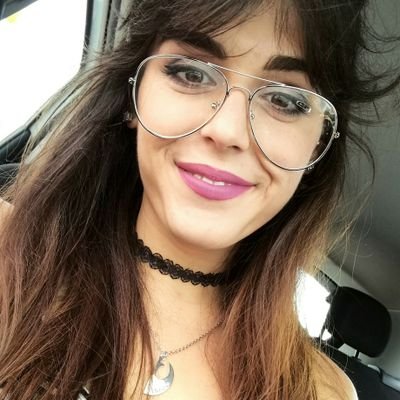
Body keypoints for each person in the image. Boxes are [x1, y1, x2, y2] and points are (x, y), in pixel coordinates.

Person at [0, 0, 398, 399]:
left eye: (284, 100)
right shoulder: (9, 254)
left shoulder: (323, 391)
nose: (227, 130)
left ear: (317, 145)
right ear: (132, 95)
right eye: (191, 73)